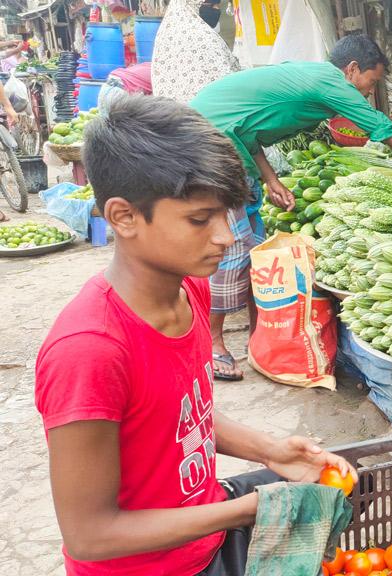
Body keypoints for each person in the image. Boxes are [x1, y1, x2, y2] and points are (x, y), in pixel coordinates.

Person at [34, 94, 357, 575]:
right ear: (123, 217)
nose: (226, 236)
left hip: (202, 533)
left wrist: (272, 451)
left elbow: (181, 417)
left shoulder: (190, 290)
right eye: (199, 219)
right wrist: (250, 509)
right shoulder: (90, 351)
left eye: (226, 214)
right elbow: (89, 535)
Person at [190, 34, 392, 380]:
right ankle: (212, 345)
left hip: (224, 136)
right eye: (370, 82)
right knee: (233, 246)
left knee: (253, 244)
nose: (366, 92)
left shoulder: (313, 75)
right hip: (209, 144)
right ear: (352, 70)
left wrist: (270, 179)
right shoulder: (334, 85)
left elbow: (248, 128)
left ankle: (262, 339)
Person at [151, 0, 240, 103]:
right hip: (204, 113)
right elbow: (226, 84)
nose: (217, 9)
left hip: (173, 114)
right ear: (194, 5)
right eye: (212, 5)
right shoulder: (202, 37)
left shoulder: (165, 34)